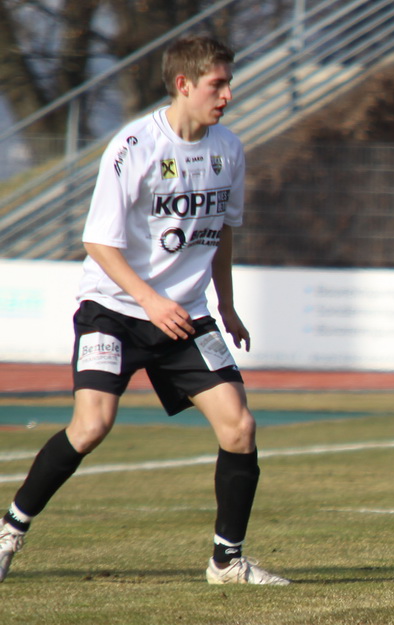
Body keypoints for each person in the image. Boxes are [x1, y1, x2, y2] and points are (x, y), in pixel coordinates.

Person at [0, 35, 288, 585]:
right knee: (91, 426)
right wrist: (150, 301)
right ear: (184, 84)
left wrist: (226, 305)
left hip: (185, 316)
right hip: (113, 309)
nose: (228, 95)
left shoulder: (229, 148)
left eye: (228, 83)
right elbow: (98, 242)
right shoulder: (134, 146)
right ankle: (9, 531)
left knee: (239, 427)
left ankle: (226, 562)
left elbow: (223, 232)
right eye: (217, 84)